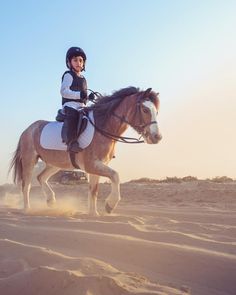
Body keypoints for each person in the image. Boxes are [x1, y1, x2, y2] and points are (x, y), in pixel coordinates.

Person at [60, 46, 89, 153]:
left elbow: (83, 95)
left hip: (81, 106)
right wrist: (79, 95)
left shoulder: (84, 79)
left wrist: (88, 97)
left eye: (81, 60)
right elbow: (64, 91)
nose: (78, 63)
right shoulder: (68, 75)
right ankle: (71, 143)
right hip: (70, 105)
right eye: (75, 60)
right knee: (73, 116)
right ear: (69, 62)